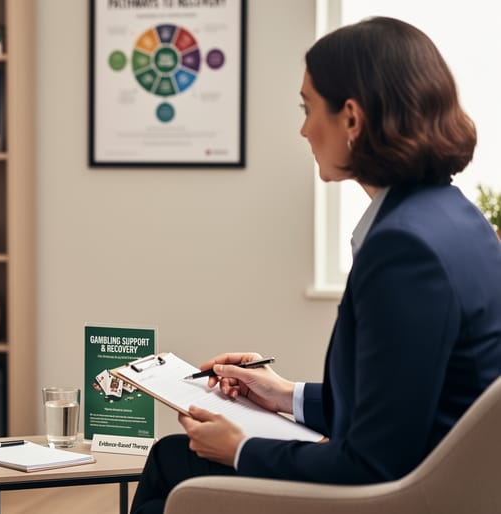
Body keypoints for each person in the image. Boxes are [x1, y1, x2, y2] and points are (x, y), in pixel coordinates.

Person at [130, 16, 501, 514]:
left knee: (172, 481)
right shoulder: (456, 217)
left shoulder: (404, 250)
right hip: (438, 478)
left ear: (351, 118)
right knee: (171, 459)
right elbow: (408, 403)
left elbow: (369, 464)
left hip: (399, 498)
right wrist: (284, 395)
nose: (303, 129)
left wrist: (238, 447)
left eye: (308, 109)